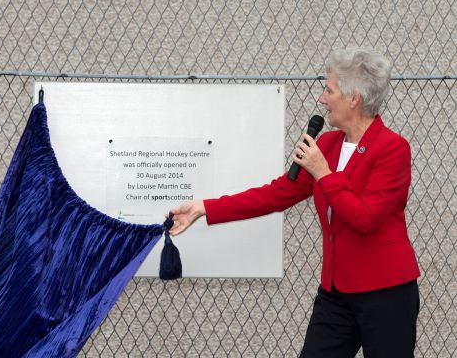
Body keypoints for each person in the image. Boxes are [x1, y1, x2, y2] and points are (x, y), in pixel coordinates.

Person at [168, 48, 420, 358]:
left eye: (329, 90)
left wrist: (323, 173)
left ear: (354, 98)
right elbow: (276, 194)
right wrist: (205, 208)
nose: (322, 99)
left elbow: (365, 219)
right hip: (336, 294)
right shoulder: (326, 144)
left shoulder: (392, 149)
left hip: (386, 293)